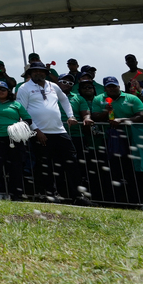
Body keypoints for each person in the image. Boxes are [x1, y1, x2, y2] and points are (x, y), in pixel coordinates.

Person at [16, 62, 90, 204]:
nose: (39, 73)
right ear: (30, 73)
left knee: (72, 163)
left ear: (46, 72)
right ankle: (49, 194)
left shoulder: (53, 85)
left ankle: (78, 196)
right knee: (45, 165)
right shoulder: (24, 88)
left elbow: (64, 100)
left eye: (42, 71)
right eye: (35, 71)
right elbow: (22, 111)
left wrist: (70, 116)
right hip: (39, 132)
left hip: (59, 131)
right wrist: (36, 130)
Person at [91, 76, 143, 207]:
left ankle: (138, 201)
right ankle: (115, 202)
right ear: (105, 88)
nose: (112, 88)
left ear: (119, 86)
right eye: (109, 86)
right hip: (109, 141)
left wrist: (122, 121)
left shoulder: (132, 98)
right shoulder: (98, 99)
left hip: (131, 141)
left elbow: (142, 115)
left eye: (114, 86)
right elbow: (94, 116)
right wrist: (105, 112)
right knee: (112, 172)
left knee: (134, 172)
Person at [0, 80, 31, 200]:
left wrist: (18, 127)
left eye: (3, 89)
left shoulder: (16, 104)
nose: (1, 92)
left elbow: (28, 119)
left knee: (16, 167)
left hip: (14, 139)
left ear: (8, 91)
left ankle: (17, 195)